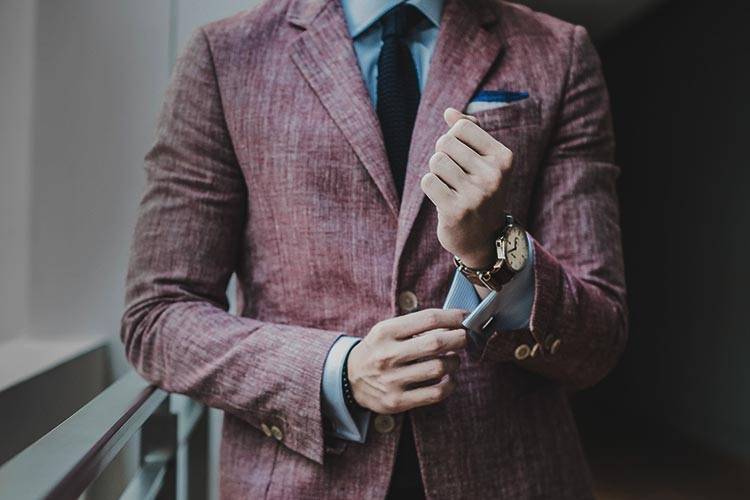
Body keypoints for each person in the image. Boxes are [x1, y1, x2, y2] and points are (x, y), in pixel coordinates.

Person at [121, 0, 627, 497]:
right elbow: (158, 317)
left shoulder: (558, 53)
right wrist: (338, 372)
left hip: (511, 476)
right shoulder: (227, 54)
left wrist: (493, 250)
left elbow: (598, 343)